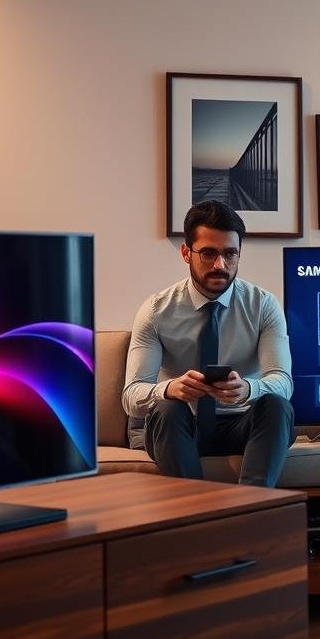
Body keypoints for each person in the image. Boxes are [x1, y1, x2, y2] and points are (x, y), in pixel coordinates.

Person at [122, 200, 295, 487]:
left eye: (230, 254)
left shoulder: (263, 306)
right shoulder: (156, 311)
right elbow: (131, 397)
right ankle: (195, 513)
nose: (220, 265)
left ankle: (250, 508)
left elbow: (283, 382)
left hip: (242, 424)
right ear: (185, 253)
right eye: (208, 254)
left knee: (276, 406)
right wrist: (170, 388)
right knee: (168, 407)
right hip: (180, 428)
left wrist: (248, 389)